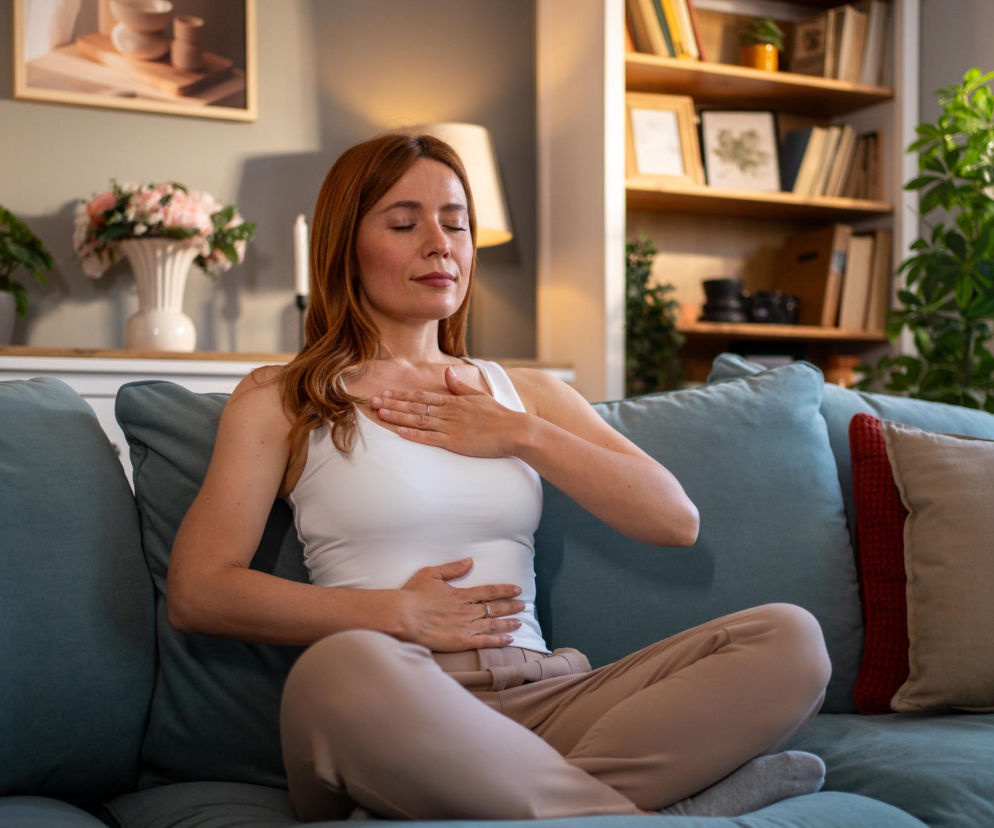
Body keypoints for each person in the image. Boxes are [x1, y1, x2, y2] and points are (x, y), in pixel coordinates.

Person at [168, 132, 832, 821]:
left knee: (788, 640)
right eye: (404, 223)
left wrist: (518, 432)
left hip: (547, 697)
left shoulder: (525, 395)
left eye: (456, 223)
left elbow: (674, 519)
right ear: (345, 245)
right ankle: (661, 810)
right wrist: (396, 614)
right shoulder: (283, 397)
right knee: (339, 669)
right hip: (395, 696)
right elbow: (199, 589)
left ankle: (487, 805)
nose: (439, 242)